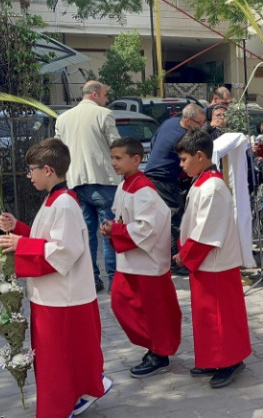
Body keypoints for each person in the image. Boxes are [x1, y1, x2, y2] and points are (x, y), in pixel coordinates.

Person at [0, 138, 109, 418]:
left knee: (56, 361)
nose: (28, 175)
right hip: (54, 296)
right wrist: (18, 229)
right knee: (56, 359)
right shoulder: (54, 199)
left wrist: (19, 245)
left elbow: (65, 250)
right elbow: (45, 239)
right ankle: (69, 400)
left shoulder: (65, 204)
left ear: (47, 169)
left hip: (64, 299)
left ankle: (57, 410)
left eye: (31, 169)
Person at [172, 129, 251, 388]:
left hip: (216, 262)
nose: (181, 166)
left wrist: (185, 255)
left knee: (220, 315)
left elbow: (206, 230)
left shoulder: (213, 186)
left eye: (184, 160)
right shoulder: (202, 180)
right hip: (206, 263)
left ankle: (230, 361)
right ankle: (213, 358)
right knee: (208, 315)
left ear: (200, 156)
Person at [100, 137, 182, 378]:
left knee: (152, 310)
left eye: (118, 158)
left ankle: (159, 353)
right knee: (122, 303)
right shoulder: (126, 184)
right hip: (132, 260)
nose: (113, 163)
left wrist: (115, 231)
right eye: (112, 157)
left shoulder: (143, 188)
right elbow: (124, 218)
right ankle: (154, 347)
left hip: (147, 263)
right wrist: (113, 228)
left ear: (136, 159)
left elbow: (149, 228)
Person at [54, 80, 120, 292]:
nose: (106, 99)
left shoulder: (63, 119)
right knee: (109, 233)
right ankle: (115, 280)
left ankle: (91, 279)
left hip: (76, 183)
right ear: (95, 94)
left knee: (86, 234)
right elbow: (116, 146)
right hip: (104, 181)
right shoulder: (103, 114)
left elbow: (58, 151)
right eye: (105, 95)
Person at [144, 103, 207, 276]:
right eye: (199, 123)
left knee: (167, 219)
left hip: (153, 175)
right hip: (163, 179)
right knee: (175, 220)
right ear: (188, 120)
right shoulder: (183, 138)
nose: (202, 127)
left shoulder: (170, 123)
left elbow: (154, 141)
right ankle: (176, 262)